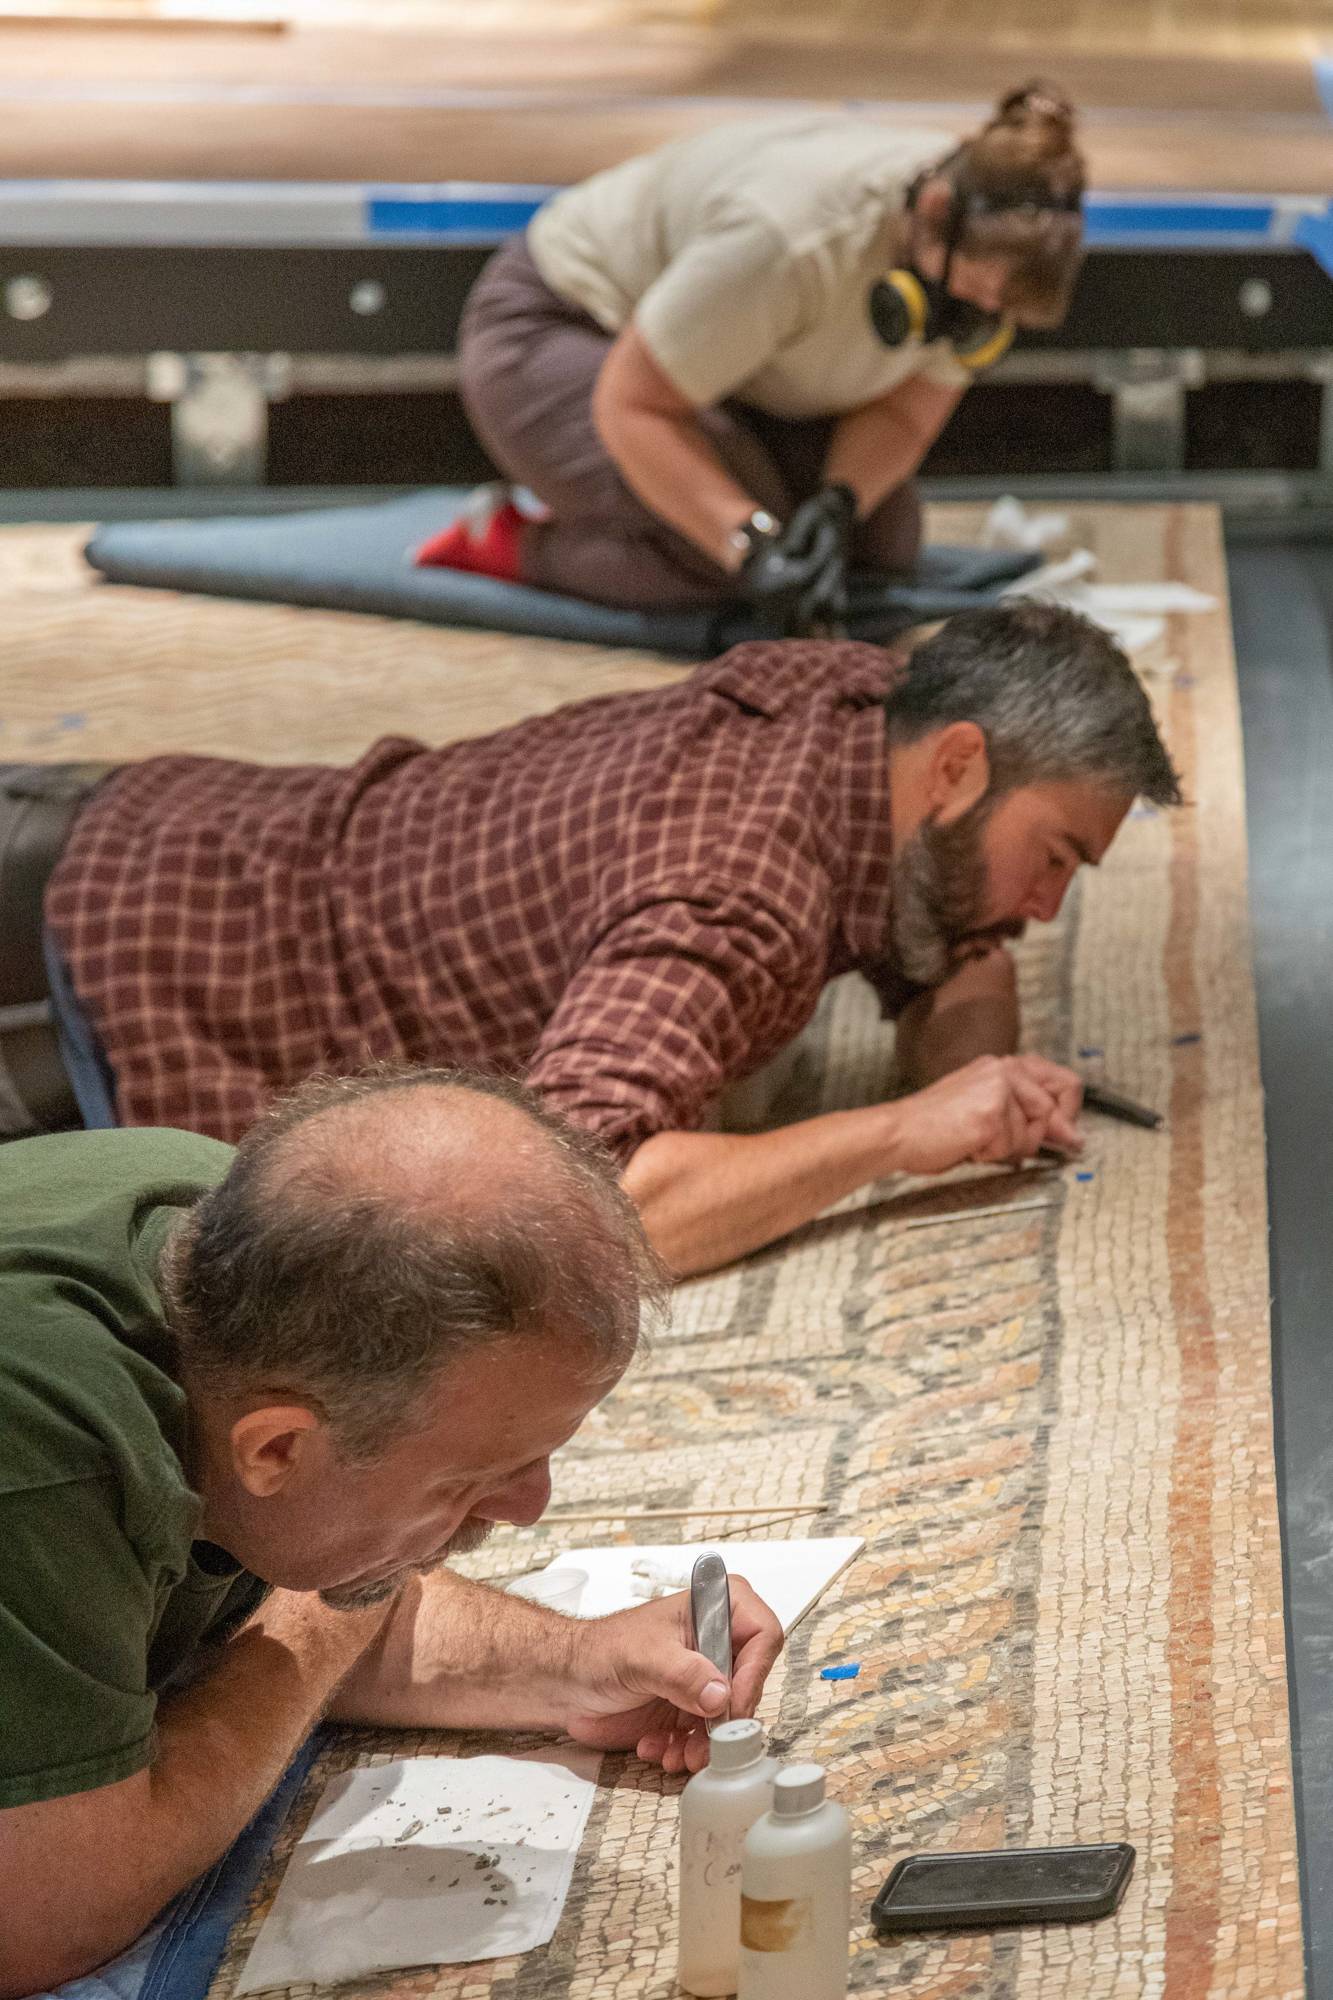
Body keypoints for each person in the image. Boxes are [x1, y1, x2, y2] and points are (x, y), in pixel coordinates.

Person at [9, 603, 1181, 1276]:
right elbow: (581, 1205)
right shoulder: (738, 888)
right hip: (117, 982)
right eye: (1053, 855)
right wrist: (896, 1132)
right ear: (958, 766)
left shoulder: (860, 708)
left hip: (158, 831)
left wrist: (970, 1068)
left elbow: (953, 935)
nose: (1044, 908)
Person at [0, 1069, 784, 1996]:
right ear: (277, 1447)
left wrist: (573, 1663)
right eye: (468, 1479)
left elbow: (292, 1558)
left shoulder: (236, 1230)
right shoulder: (40, 1454)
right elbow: (48, 1917)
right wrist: (314, 1628)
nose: (527, 1507)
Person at [420, 83, 1085, 627]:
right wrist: (747, 544)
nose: (977, 322)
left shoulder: (985, 247)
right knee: (717, 562)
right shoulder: (788, 237)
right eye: (969, 298)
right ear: (935, 208)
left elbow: (905, 415)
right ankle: (511, 542)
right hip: (558, 329)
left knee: (879, 546)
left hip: (723, 373)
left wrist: (837, 506)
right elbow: (633, 404)